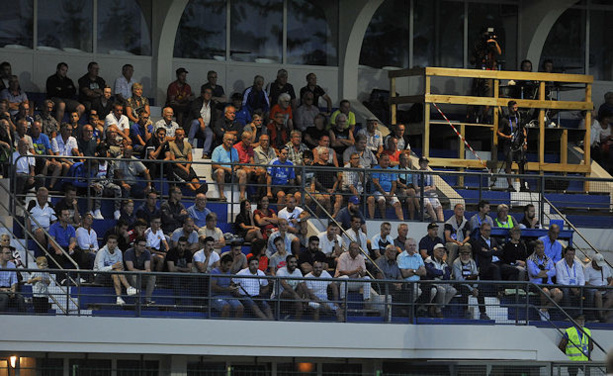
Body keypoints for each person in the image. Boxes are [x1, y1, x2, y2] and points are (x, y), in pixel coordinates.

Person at [93, 235, 136, 306]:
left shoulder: (119, 252)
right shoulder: (101, 252)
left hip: (114, 274)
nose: (111, 245)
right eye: (110, 242)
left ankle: (119, 298)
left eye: (113, 243)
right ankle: (128, 287)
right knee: (116, 270)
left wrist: (118, 267)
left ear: (116, 244)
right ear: (107, 243)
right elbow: (100, 270)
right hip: (100, 276)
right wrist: (112, 266)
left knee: (115, 273)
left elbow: (120, 266)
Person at [526, 239, 562, 320]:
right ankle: (543, 311)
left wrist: (541, 273)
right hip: (536, 284)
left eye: (542, 248)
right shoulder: (530, 260)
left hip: (548, 283)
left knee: (559, 293)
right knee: (546, 291)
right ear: (535, 249)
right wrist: (546, 272)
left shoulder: (548, 259)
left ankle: (543, 309)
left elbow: (553, 272)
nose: (540, 250)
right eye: (538, 248)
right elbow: (534, 273)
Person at [497, 100, 528, 192]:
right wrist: (507, 136)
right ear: (509, 108)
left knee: (521, 164)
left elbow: (523, 130)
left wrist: (525, 142)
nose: (515, 110)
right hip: (509, 145)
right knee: (509, 164)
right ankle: (510, 185)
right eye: (513, 108)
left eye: (516, 108)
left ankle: (523, 186)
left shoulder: (519, 118)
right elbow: (498, 132)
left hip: (519, 145)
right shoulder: (505, 119)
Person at [453, 244, 490, 320]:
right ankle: (465, 311)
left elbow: (476, 275)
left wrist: (475, 287)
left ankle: (483, 313)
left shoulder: (472, 262)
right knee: (464, 290)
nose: (465, 256)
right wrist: (471, 289)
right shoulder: (456, 263)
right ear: (460, 254)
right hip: (460, 283)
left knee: (481, 291)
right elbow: (459, 278)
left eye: (467, 254)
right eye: (463, 254)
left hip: (471, 283)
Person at [168, 128, 207, 193]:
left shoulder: (187, 144)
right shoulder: (171, 145)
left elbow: (190, 158)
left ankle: (199, 188)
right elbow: (173, 159)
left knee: (193, 177)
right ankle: (196, 191)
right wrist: (184, 168)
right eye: (180, 135)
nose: (182, 137)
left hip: (186, 165)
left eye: (183, 135)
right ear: (175, 135)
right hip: (177, 166)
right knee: (186, 179)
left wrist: (187, 168)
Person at [424, 244, 457, 318]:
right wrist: (442, 273)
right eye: (440, 251)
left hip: (442, 282)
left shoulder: (444, 263)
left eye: (443, 252)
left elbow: (447, 276)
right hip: (432, 282)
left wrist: (439, 273)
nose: (442, 253)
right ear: (434, 251)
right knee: (441, 291)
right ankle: (437, 310)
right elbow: (431, 272)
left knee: (452, 291)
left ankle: (437, 307)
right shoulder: (428, 260)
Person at [368, 154, 404, 220]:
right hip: (378, 192)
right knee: (382, 201)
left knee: (397, 204)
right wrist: (384, 194)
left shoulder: (391, 170)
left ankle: (402, 221)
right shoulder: (375, 169)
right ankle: (384, 219)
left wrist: (390, 194)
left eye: (388, 160)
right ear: (380, 160)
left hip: (389, 192)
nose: (387, 162)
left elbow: (394, 184)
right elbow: (376, 183)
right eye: (385, 160)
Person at [124, 236, 156, 305]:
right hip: (129, 276)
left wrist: (146, 271)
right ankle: (137, 300)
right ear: (135, 245)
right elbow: (130, 269)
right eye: (141, 246)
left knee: (152, 276)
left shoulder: (147, 253)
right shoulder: (128, 252)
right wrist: (144, 271)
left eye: (144, 246)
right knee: (134, 276)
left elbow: (147, 268)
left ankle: (148, 299)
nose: (143, 248)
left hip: (141, 276)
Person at [274, 254, 307, 320]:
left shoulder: (297, 271)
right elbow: (285, 285)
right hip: (279, 296)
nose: (293, 264)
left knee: (300, 286)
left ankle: (295, 318)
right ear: (286, 263)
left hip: (294, 296)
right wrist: (297, 297)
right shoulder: (280, 271)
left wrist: (307, 297)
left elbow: (303, 284)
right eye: (291, 262)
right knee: (286, 292)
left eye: (295, 262)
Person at [556, 246, 587, 314]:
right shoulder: (559, 264)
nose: (570, 256)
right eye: (569, 254)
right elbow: (559, 280)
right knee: (566, 291)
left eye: (572, 254)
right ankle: (568, 314)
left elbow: (582, 278)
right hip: (565, 286)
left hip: (577, 287)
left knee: (588, 291)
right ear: (565, 255)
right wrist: (571, 287)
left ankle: (584, 314)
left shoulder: (578, 264)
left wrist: (580, 287)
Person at [187, 86, 215, 157]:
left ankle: (205, 153)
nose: (208, 95)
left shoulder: (212, 104)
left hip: (206, 126)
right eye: (207, 93)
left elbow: (214, 119)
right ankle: (190, 143)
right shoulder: (197, 101)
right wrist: (201, 122)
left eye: (210, 93)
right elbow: (196, 112)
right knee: (196, 122)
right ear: (203, 94)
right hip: (196, 124)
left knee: (210, 134)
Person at [583, 253, 612, 322]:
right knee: (598, 294)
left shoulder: (605, 266)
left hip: (605, 288)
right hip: (594, 289)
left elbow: (610, 279)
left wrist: (609, 286)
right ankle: (601, 316)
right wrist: (596, 287)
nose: (600, 267)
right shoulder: (587, 268)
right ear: (593, 262)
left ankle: (602, 313)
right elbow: (585, 283)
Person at [414, 157, 444, 222]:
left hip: (431, 194)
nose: (425, 164)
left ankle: (442, 222)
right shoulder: (416, 174)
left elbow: (433, 188)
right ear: (419, 164)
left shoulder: (430, 174)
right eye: (423, 163)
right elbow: (416, 188)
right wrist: (426, 188)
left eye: (426, 163)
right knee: (428, 205)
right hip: (421, 194)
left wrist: (426, 189)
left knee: (439, 207)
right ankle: (435, 222)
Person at [397, 238, 425, 302]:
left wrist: (412, 270)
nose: (412, 247)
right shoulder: (401, 256)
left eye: (414, 245)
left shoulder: (418, 256)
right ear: (405, 246)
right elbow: (405, 274)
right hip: (407, 283)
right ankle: (410, 307)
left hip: (419, 283)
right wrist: (417, 271)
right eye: (410, 245)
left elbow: (424, 272)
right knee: (418, 292)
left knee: (432, 290)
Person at [0, 245, 25, 312]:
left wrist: (13, 291)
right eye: (7, 253)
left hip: (9, 290)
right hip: (1, 290)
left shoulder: (12, 265)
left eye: (10, 253)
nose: (10, 255)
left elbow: (14, 281)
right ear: (1, 254)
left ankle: (24, 319)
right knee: (4, 298)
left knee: (20, 298)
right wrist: (3, 290)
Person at [396, 153, 419, 220]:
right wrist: (405, 186)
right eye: (404, 159)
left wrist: (408, 186)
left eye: (407, 159)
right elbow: (397, 182)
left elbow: (410, 183)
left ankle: (411, 219)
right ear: (400, 160)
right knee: (412, 191)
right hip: (398, 192)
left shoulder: (409, 170)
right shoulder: (395, 169)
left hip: (406, 192)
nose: (406, 161)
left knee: (410, 200)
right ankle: (420, 209)